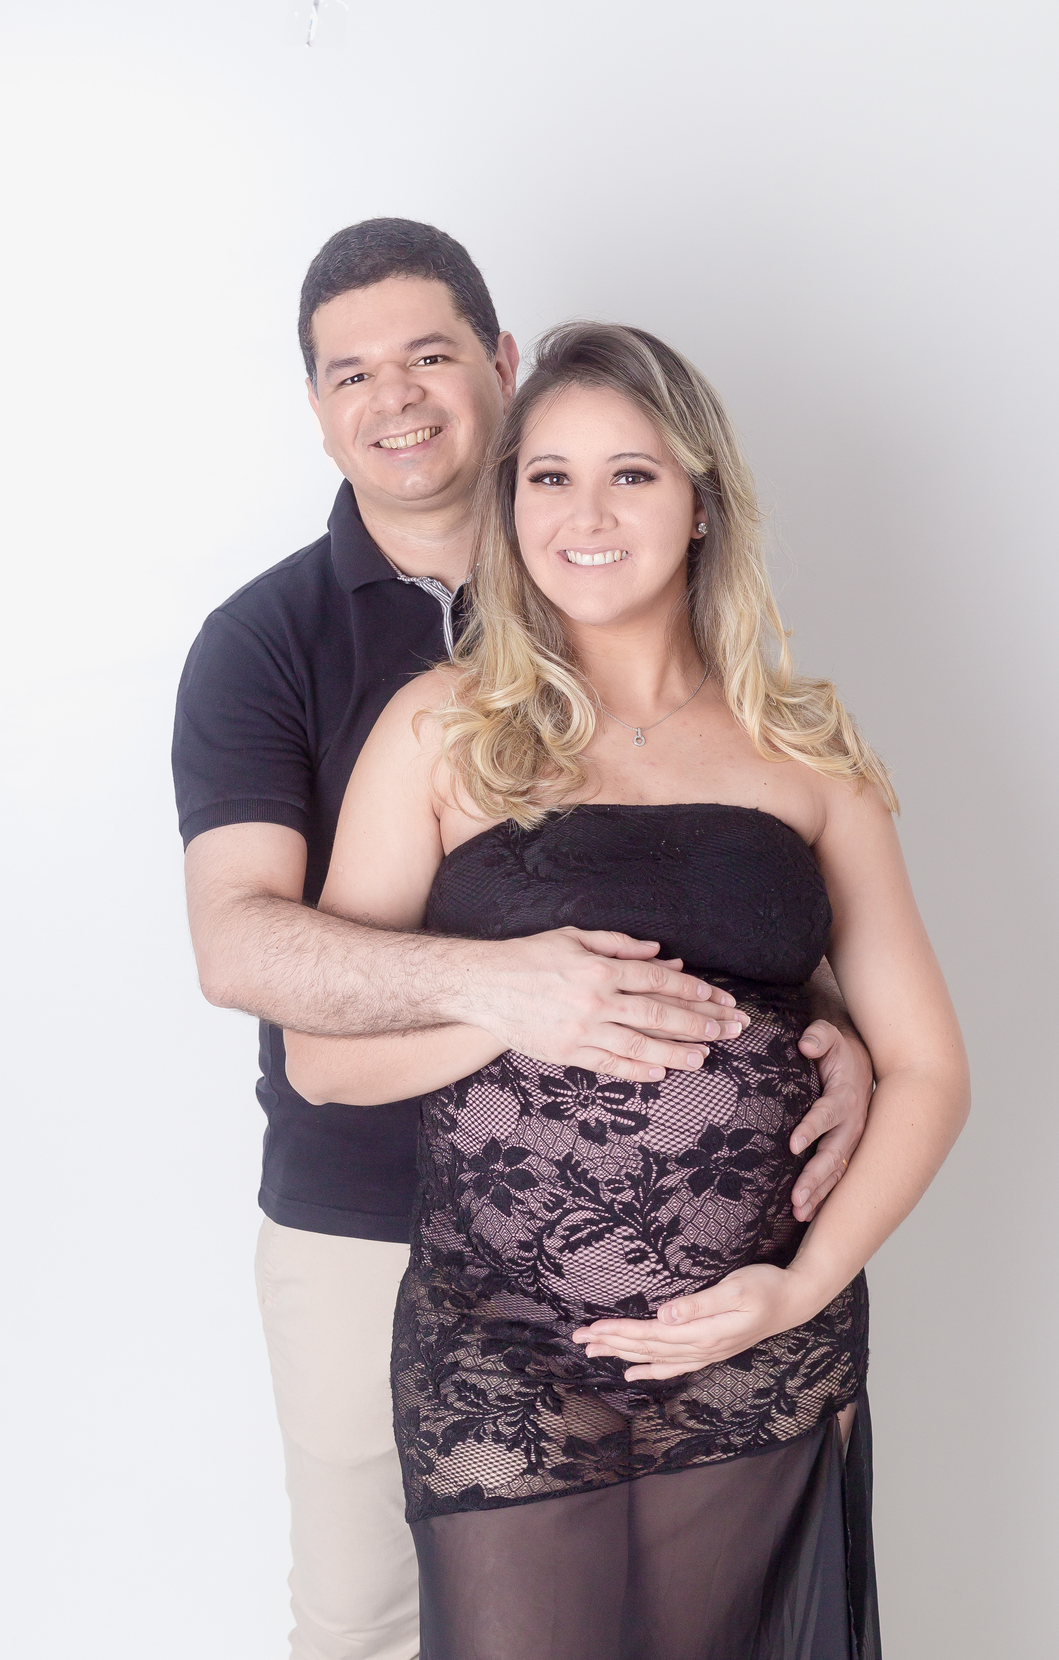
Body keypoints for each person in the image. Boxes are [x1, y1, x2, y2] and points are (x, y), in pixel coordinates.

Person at [173, 221, 877, 1660]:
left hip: (700, 1275)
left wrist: (831, 1030)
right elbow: (241, 947)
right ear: (316, 407)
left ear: (497, 364)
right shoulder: (275, 646)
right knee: (369, 1618)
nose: (395, 396)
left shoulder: (667, 640)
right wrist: (504, 993)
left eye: (429, 354)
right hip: (378, 1214)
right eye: (351, 372)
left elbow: (718, 905)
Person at [285, 322, 971, 1658]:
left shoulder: (805, 749)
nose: (585, 516)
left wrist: (802, 1289)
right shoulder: (439, 728)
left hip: (748, 1335)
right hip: (500, 1336)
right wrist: (510, 1002)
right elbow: (324, 1057)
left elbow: (930, 1068)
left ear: (702, 502)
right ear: (510, 507)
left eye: (632, 476)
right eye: (548, 477)